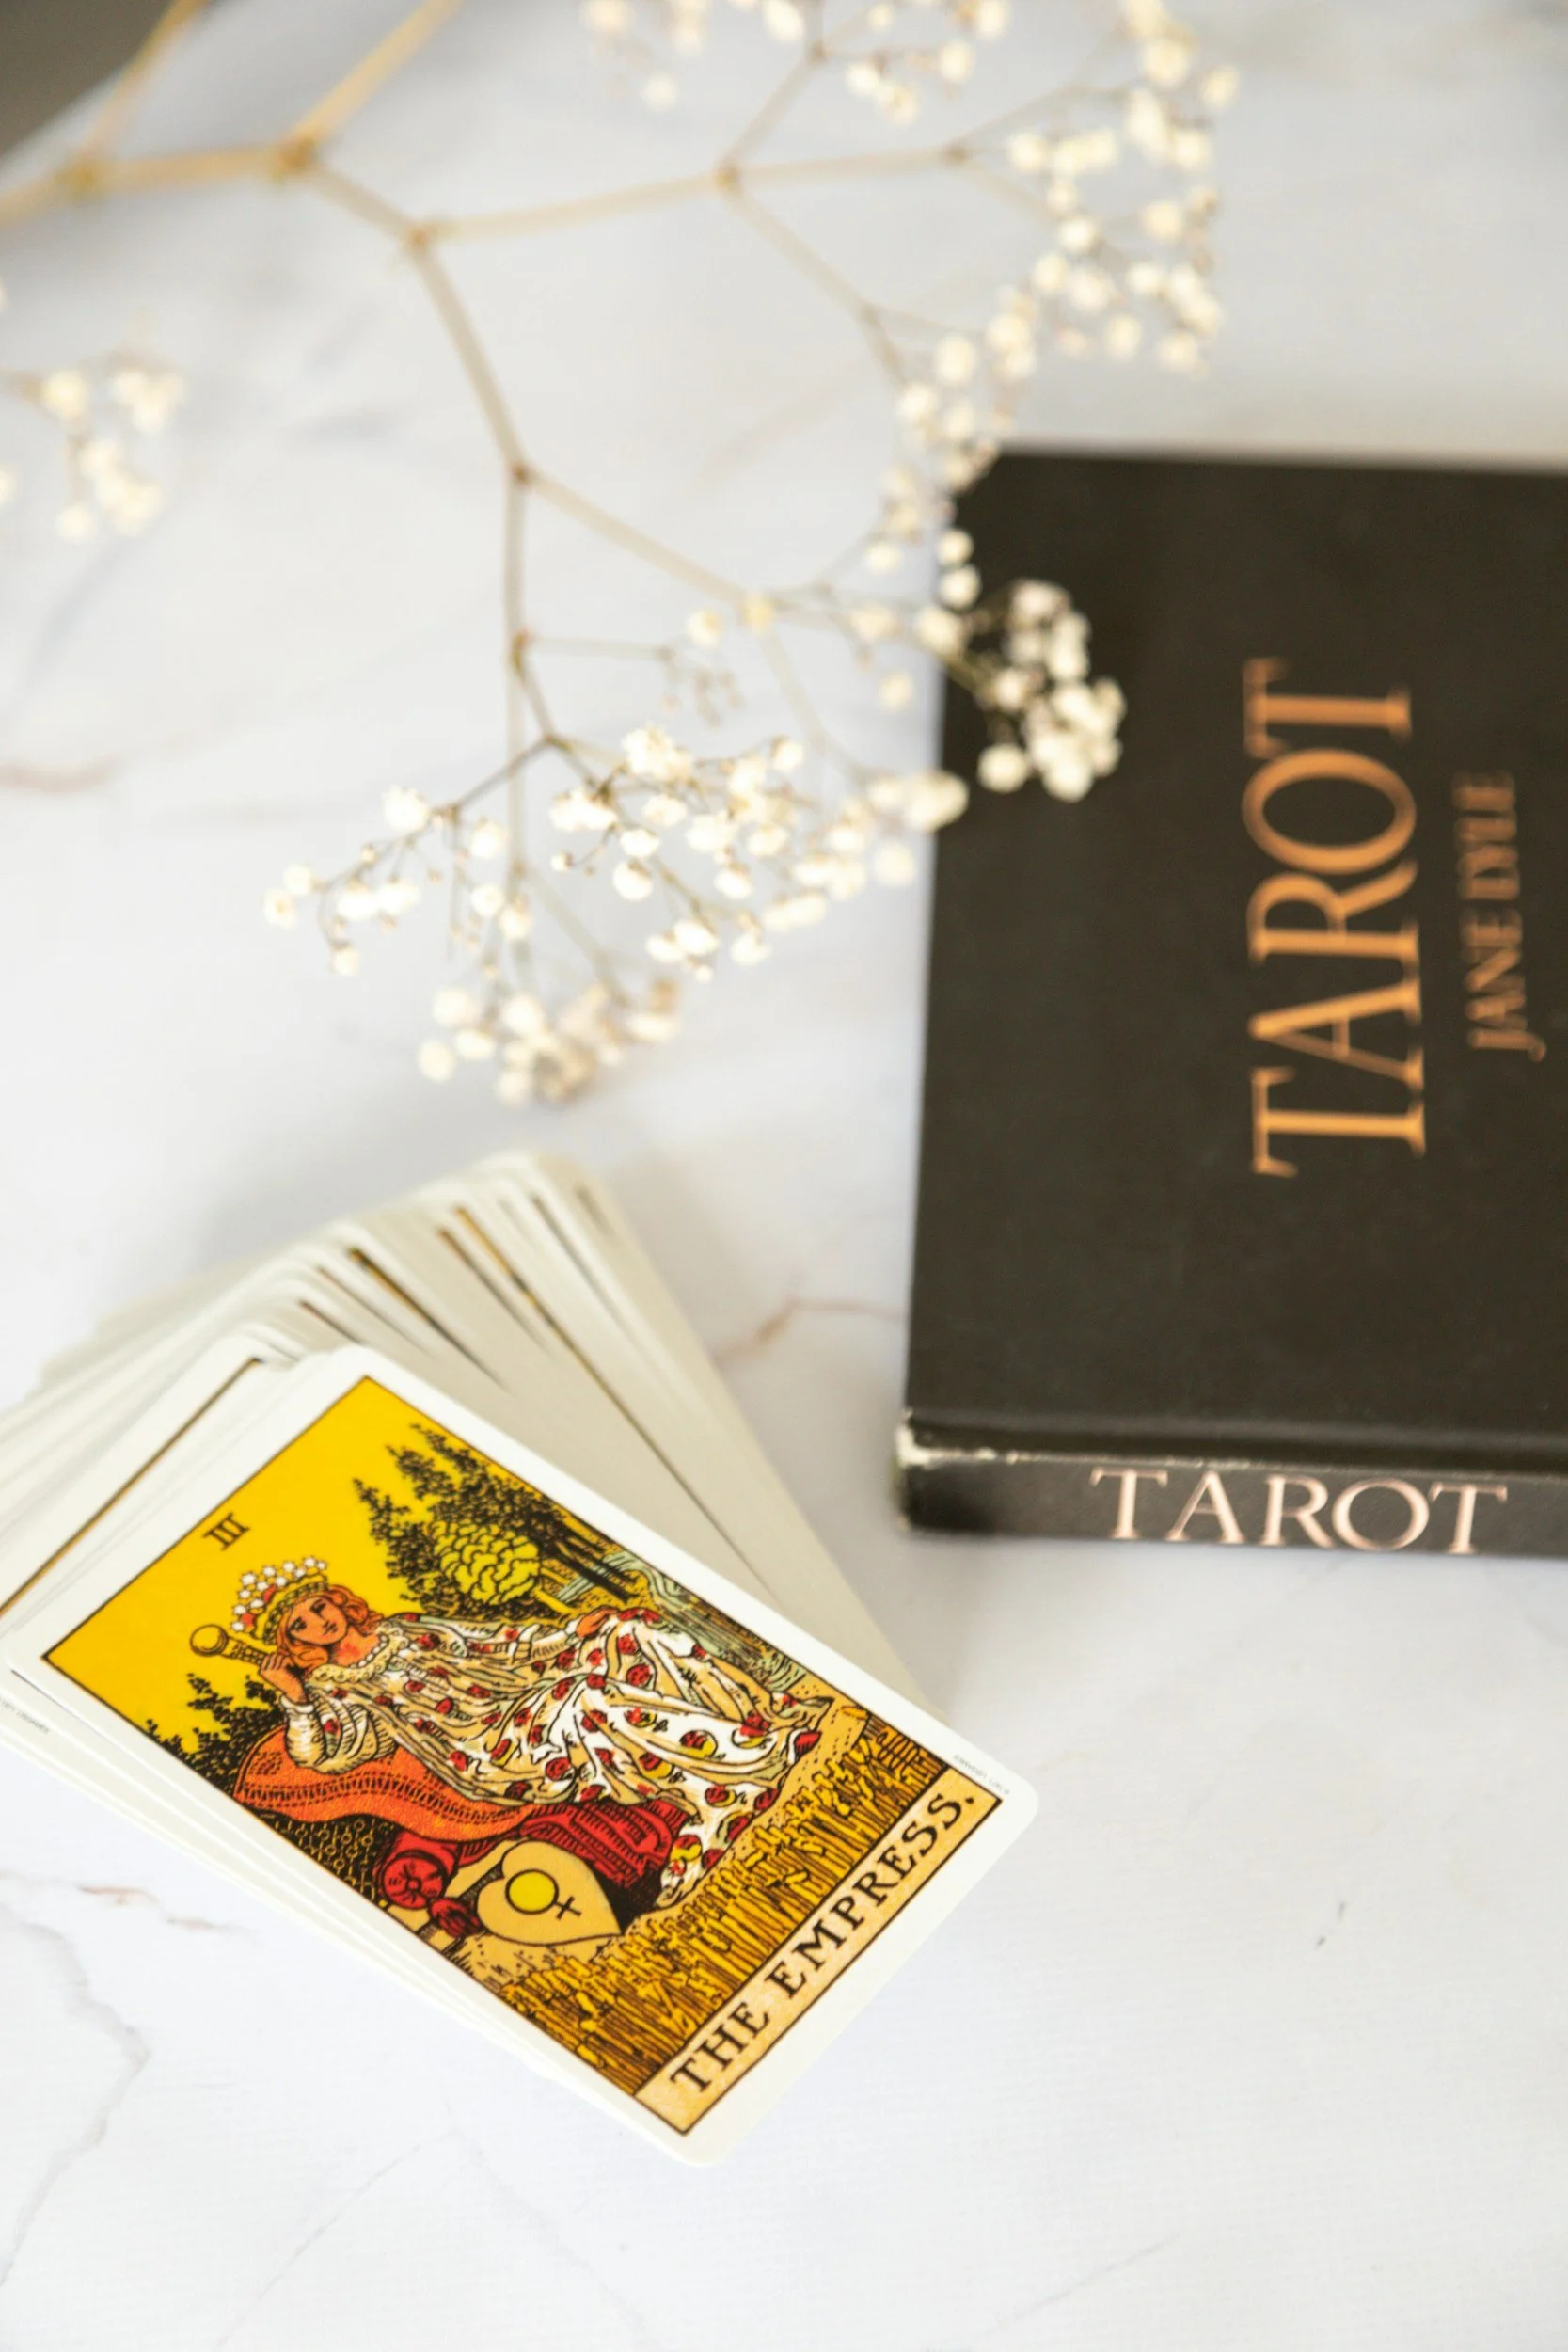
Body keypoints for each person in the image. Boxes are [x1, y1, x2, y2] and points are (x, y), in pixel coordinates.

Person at [250, 1573, 819, 1906]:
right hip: (490, 1756)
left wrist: (577, 1631)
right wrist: (294, 1699)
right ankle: (720, 1790)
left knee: (629, 1631)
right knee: (585, 1699)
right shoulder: (337, 1690)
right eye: (300, 1625)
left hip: (522, 1704)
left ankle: (762, 1719)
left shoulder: (403, 1630)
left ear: (336, 1601)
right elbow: (327, 1755)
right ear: (295, 1642)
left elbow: (495, 1645)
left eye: (317, 1608)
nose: (318, 1623)